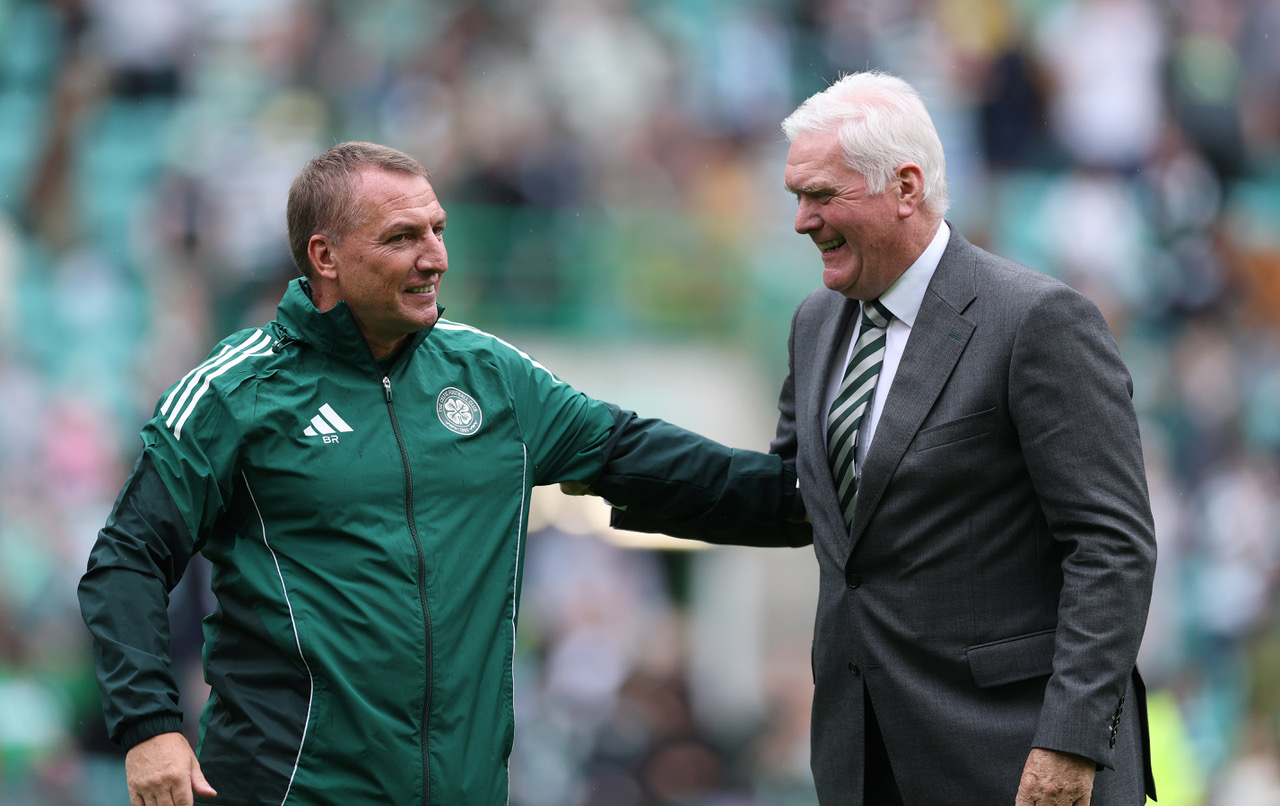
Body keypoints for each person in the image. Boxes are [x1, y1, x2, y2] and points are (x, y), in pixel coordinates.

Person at [77, 141, 809, 806]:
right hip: (289, 792)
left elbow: (640, 460)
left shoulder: (492, 377)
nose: (435, 257)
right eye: (402, 238)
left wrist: (806, 502)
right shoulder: (236, 393)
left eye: (437, 229)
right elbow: (126, 558)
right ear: (325, 257)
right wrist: (150, 726)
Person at [616, 71, 1158, 804]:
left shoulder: (1036, 321)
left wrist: (1070, 740)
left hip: (1017, 759)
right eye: (795, 198)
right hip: (864, 760)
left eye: (821, 195)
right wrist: (608, 457)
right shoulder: (816, 323)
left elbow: (1112, 544)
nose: (802, 221)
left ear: (906, 188)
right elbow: (794, 500)